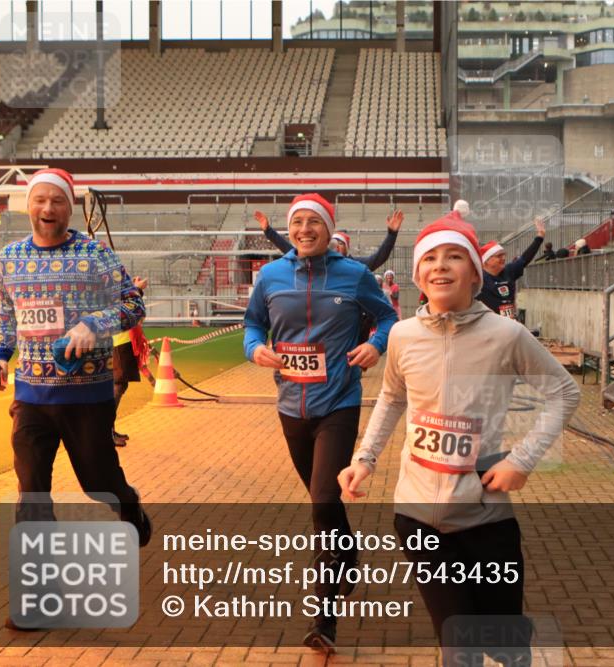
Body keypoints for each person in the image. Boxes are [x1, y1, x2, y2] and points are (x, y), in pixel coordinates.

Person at [338, 213, 579, 666]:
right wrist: (365, 458)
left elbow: (566, 392)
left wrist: (523, 460)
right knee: (458, 644)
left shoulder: (507, 335)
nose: (440, 265)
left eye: (454, 256)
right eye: (429, 258)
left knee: (505, 644)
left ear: (474, 272)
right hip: (419, 516)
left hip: (485, 518)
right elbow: (391, 397)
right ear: (418, 276)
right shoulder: (405, 337)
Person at [244, 193, 397, 653]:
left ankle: (324, 618)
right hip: (291, 406)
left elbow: (388, 317)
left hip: (339, 403)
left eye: (314, 222)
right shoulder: (270, 276)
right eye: (298, 223)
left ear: (330, 230)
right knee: (323, 501)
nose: (305, 229)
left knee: (322, 502)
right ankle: (348, 555)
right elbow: (253, 325)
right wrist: (255, 349)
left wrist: (376, 344)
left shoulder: (355, 274)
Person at [0, 169, 153, 592]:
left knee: (100, 484)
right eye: (39, 199)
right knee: (32, 494)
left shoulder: (95, 255)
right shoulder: (9, 257)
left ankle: (128, 505)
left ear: (69, 206)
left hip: (86, 398)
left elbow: (133, 304)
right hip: (31, 397)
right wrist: (0, 355)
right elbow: (7, 313)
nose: (47, 208)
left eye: (57, 200)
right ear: (28, 204)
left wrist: (93, 324)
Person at [257, 208, 404, 271]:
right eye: (334, 243)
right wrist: (268, 231)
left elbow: (379, 258)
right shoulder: (315, 261)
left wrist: (391, 234)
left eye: (340, 243)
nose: (336, 246)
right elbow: (288, 248)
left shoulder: (356, 267)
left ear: (347, 248)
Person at [477, 216, 546, 319]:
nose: (503, 258)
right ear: (486, 261)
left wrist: (540, 237)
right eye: (499, 256)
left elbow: (525, 258)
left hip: (509, 325)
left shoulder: (508, 271)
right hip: (488, 328)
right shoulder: (477, 279)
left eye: (504, 254)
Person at [112, 275, 149, 447]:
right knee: (117, 386)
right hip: (118, 341)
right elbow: (125, 307)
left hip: (123, 340)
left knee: (120, 385)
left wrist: (134, 288)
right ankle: (105, 431)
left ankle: (108, 429)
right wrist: (138, 289)